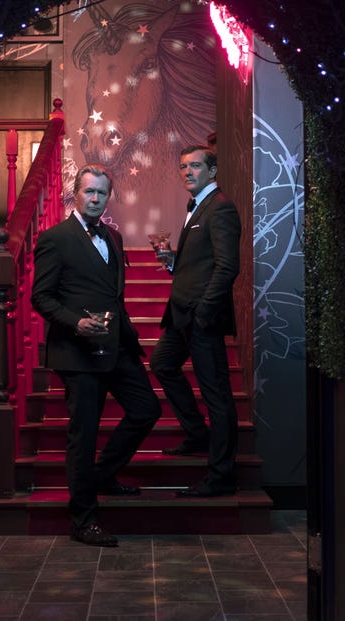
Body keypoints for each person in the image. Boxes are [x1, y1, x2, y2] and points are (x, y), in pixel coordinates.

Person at [31, 164, 161, 547]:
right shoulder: (55, 238)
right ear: (76, 193)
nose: (94, 199)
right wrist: (76, 323)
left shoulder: (114, 238)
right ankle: (83, 520)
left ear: (108, 197)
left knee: (146, 410)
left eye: (101, 193)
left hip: (117, 345)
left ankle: (103, 474)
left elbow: (113, 293)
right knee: (82, 438)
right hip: (77, 351)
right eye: (88, 192)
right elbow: (41, 297)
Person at [149, 144, 241, 497]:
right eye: (183, 166)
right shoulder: (197, 207)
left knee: (217, 396)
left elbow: (227, 267)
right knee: (162, 364)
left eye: (196, 166)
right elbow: (198, 264)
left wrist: (204, 311)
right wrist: (172, 261)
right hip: (180, 314)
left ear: (212, 171)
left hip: (201, 316)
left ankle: (221, 477)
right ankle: (196, 433)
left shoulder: (221, 208)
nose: (187, 171)